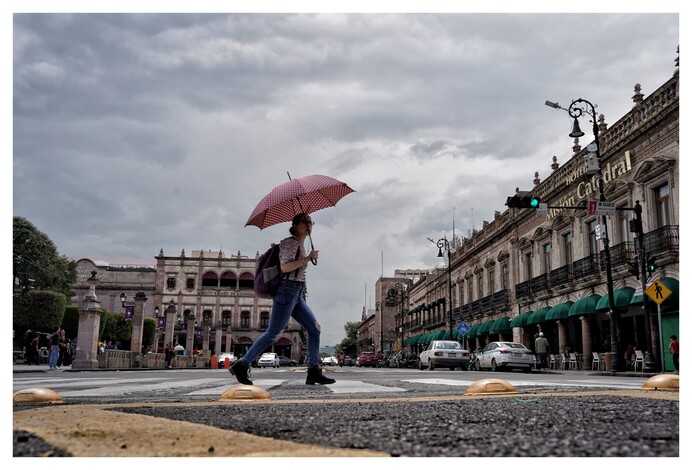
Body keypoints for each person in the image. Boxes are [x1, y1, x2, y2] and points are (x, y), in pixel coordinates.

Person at [230, 212, 335, 386]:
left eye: (311, 222)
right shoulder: (289, 243)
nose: (309, 225)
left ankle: (313, 371)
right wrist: (308, 258)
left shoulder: (300, 245)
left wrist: (306, 262)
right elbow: (285, 267)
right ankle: (242, 364)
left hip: (297, 293)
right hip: (287, 292)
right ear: (295, 226)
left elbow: (298, 273)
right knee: (272, 333)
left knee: (314, 330)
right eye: (305, 222)